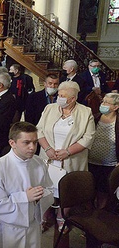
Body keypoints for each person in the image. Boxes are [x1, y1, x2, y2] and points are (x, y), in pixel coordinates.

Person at [0, 122, 54, 248]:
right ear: (12, 143)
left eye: (35, 142)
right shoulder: (0, 166)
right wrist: (24, 197)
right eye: (26, 142)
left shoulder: (39, 163)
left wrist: (40, 196)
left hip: (31, 224)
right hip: (5, 227)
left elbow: (49, 189)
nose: (32, 147)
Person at [37, 80, 95, 232]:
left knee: (67, 189)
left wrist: (67, 152)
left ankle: (61, 216)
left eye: (63, 96)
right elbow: (39, 130)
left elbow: (88, 138)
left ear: (73, 98)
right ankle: (44, 214)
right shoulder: (50, 108)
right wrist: (48, 148)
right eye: (59, 94)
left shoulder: (85, 112)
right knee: (46, 187)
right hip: (48, 156)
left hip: (71, 158)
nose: (59, 98)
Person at [89, 93, 119, 209]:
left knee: (104, 191)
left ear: (115, 107)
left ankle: (100, 213)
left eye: (107, 103)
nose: (103, 104)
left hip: (109, 164)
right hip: (90, 161)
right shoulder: (94, 118)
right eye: (103, 102)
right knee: (90, 190)